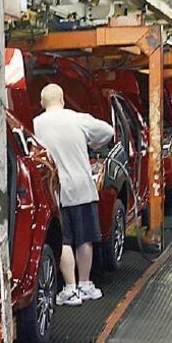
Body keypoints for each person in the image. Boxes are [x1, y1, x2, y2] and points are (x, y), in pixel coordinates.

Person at [32, 83, 114, 307]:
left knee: (64, 240)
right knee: (84, 237)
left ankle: (69, 289)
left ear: (42, 103)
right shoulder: (77, 119)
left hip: (56, 190)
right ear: (63, 100)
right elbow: (108, 131)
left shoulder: (35, 125)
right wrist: (92, 143)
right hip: (82, 188)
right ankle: (85, 284)